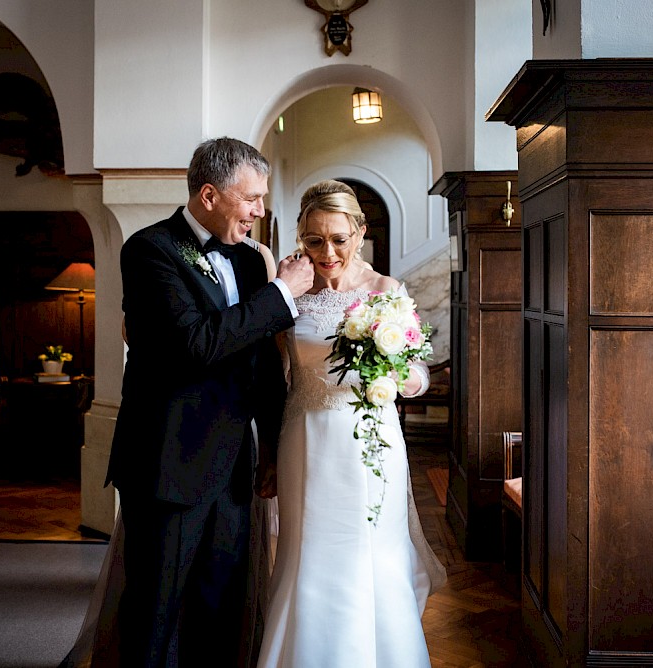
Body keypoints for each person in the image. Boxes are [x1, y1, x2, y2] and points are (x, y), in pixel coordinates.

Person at [106, 137, 314, 667]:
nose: (260, 211)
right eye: (251, 200)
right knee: (155, 615)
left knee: (219, 610)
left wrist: (269, 447)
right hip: (168, 467)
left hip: (232, 472)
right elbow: (194, 344)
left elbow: (261, 363)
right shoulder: (149, 251)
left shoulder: (248, 261)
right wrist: (281, 294)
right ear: (208, 195)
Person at [256, 180, 446, 668]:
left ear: (359, 232)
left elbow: (417, 368)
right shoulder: (288, 289)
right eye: (314, 240)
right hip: (304, 439)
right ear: (301, 237)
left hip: (371, 442)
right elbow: (274, 377)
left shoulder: (387, 290)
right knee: (308, 551)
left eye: (339, 239)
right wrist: (269, 455)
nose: (327, 252)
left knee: (373, 549)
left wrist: (406, 379)